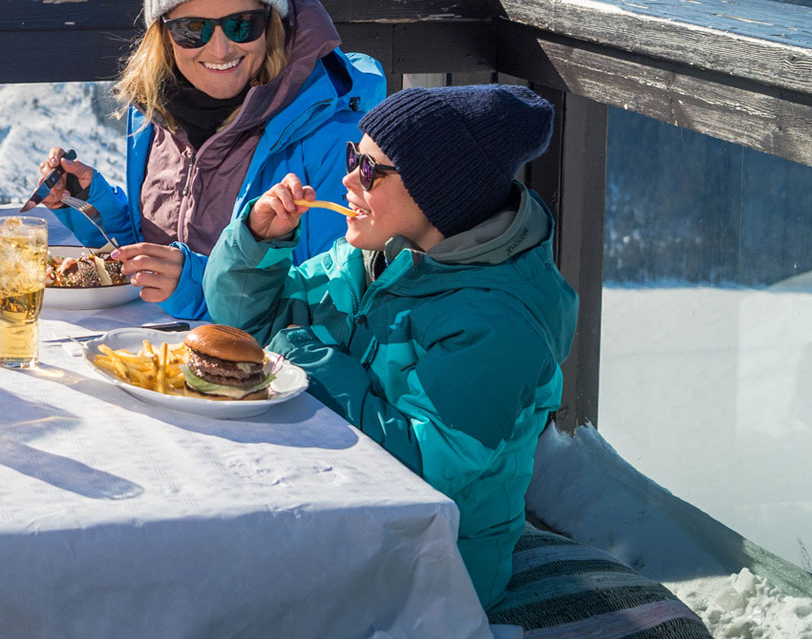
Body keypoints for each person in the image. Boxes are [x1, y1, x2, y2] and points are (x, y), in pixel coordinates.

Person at [204, 84, 577, 609]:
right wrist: (258, 244)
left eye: (370, 170)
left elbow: (429, 467)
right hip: (349, 512)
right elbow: (251, 325)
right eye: (355, 157)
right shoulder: (373, 258)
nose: (348, 178)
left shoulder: (498, 321)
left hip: (435, 563)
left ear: (438, 190)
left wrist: (309, 362)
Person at [39, 0, 384, 318]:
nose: (220, 50)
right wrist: (89, 202)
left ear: (272, 24)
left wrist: (194, 285)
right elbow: (156, 256)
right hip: (153, 354)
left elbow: (330, 303)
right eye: (193, 29)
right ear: (163, 34)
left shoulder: (330, 134)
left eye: (242, 25)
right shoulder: (153, 115)